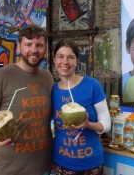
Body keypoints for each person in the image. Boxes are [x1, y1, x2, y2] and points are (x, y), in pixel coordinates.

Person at [0, 24, 54, 175]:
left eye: (39, 45)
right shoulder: (0, 76)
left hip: (44, 167)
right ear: (19, 47)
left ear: (45, 48)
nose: (34, 50)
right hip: (10, 170)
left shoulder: (48, 77)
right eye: (28, 44)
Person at [51, 40, 111, 175]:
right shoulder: (52, 90)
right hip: (61, 162)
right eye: (60, 56)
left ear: (77, 61)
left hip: (90, 163)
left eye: (70, 57)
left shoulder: (92, 85)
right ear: (54, 60)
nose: (65, 62)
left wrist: (88, 124)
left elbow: (107, 124)